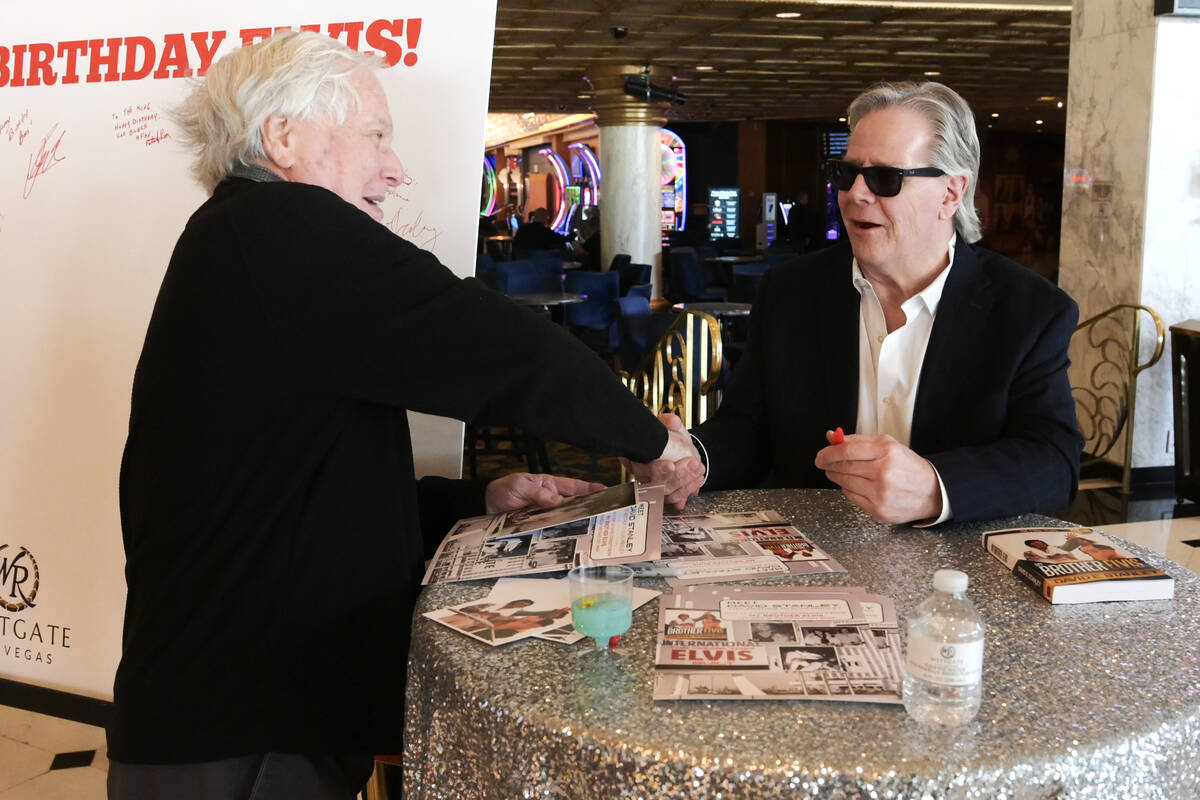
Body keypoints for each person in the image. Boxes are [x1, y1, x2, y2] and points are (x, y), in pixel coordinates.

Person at [108, 31, 702, 799]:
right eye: (376, 135)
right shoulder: (282, 229)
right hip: (238, 730)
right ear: (283, 137)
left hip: (242, 709)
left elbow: (290, 487)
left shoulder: (243, 241)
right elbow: (505, 348)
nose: (396, 170)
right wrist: (652, 442)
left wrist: (472, 502)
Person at [630, 81, 1082, 525]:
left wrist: (934, 487)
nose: (855, 195)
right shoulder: (790, 292)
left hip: (958, 575)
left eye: (885, 178)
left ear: (951, 193)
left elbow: (1054, 461)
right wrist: (695, 456)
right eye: (846, 175)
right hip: (813, 567)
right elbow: (750, 427)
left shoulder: (1028, 310)